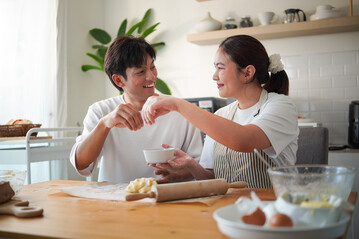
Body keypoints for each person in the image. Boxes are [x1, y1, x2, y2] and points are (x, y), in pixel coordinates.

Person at [142, 35, 299, 188]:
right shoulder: (222, 115)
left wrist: (178, 104)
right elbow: (212, 177)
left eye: (220, 67)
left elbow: (245, 140)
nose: (214, 76)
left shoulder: (281, 106)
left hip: (272, 208)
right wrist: (190, 163)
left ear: (247, 73)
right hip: (228, 210)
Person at [69, 36, 202, 183]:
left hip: (168, 200)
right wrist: (104, 124)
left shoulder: (179, 109)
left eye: (152, 67)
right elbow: (81, 164)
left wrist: (175, 176)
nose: (151, 77)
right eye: (140, 72)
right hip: (115, 201)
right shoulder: (101, 110)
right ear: (119, 80)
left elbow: (199, 165)